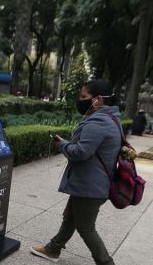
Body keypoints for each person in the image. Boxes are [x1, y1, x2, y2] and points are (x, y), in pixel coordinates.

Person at [30, 80, 120, 265]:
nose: (80, 100)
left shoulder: (99, 122)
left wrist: (62, 144)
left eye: (84, 97)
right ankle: (53, 249)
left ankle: (106, 262)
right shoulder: (109, 118)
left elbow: (80, 152)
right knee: (70, 217)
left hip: (91, 187)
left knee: (86, 227)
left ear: (98, 100)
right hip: (89, 184)